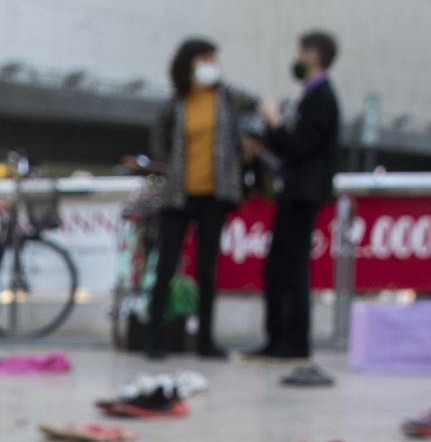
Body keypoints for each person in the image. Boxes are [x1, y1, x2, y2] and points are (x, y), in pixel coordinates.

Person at [144, 38, 256, 361]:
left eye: (213, 58)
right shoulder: (177, 102)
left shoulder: (228, 98)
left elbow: (259, 109)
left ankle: (206, 339)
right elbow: (159, 138)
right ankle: (156, 338)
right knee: (166, 267)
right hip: (178, 196)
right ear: (189, 63)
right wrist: (173, 165)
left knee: (207, 269)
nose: (211, 64)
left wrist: (248, 140)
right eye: (204, 58)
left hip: (215, 196)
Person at [254, 30, 340, 363]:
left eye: (301, 52)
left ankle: (291, 341)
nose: (297, 58)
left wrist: (275, 124)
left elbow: (300, 147)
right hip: (295, 192)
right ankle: (278, 339)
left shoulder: (322, 99)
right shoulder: (310, 97)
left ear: (313, 55)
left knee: (290, 270)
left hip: (304, 195)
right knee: (279, 268)